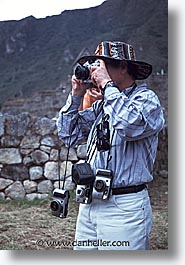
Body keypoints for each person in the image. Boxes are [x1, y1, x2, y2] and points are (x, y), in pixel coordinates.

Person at [57, 41, 165, 250]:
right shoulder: (102, 106)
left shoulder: (147, 100)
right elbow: (68, 135)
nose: (95, 71)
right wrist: (77, 95)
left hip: (124, 207)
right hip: (90, 203)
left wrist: (107, 85)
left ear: (123, 67)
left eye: (100, 65)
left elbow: (129, 125)